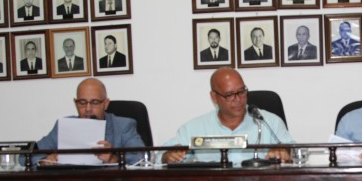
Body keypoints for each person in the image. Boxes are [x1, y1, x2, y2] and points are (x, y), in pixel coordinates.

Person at [161, 67, 293, 165]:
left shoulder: (270, 122)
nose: (238, 99)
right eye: (229, 95)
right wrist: (168, 156)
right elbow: (159, 156)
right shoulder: (193, 128)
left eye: (241, 91)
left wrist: (285, 151)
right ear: (214, 97)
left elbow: (295, 151)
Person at [31, 78, 144, 167]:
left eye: (94, 102)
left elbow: (142, 158)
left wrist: (113, 159)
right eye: (82, 102)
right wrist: (44, 161)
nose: (88, 109)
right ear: (75, 103)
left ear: (105, 104)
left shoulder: (123, 126)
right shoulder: (64, 126)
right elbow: (27, 155)